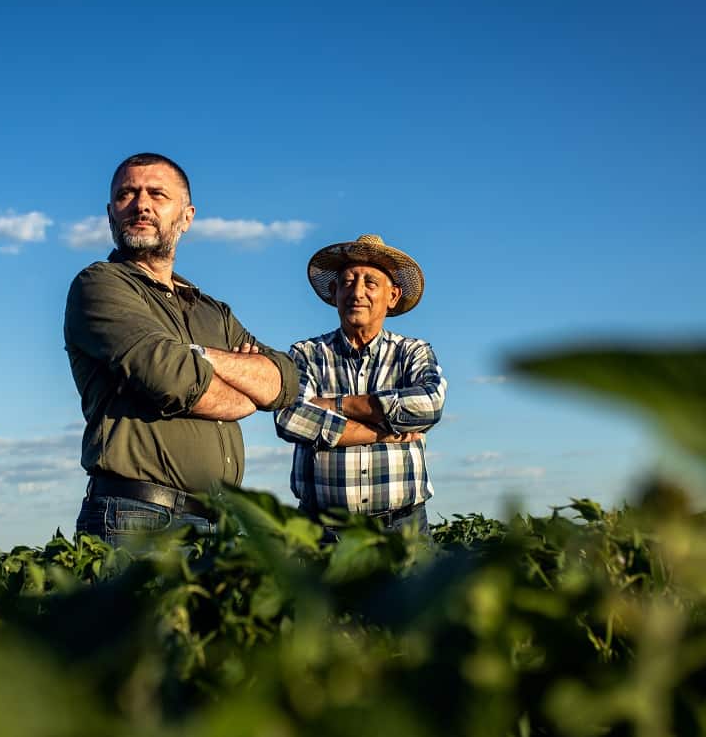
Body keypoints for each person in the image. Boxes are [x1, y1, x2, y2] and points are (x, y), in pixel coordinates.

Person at [65, 153, 299, 548]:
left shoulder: (211, 311)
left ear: (186, 216)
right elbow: (170, 378)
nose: (141, 204)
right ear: (110, 213)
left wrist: (201, 355)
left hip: (219, 523)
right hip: (137, 519)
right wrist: (245, 390)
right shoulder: (100, 286)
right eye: (127, 194)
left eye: (157, 194)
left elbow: (286, 379)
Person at [274, 235, 446, 536]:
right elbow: (289, 417)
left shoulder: (412, 352)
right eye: (348, 282)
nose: (357, 292)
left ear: (392, 296)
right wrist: (384, 432)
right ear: (334, 292)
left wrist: (338, 405)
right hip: (325, 531)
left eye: (370, 283)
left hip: (402, 527)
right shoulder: (307, 354)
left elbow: (429, 405)